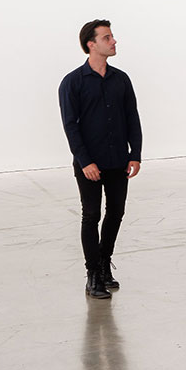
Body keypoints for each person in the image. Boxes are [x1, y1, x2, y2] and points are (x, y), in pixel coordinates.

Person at [59, 19, 142, 299]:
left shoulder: (121, 79)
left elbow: (132, 117)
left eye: (112, 36)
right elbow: (70, 125)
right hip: (90, 164)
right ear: (91, 44)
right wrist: (85, 161)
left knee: (116, 213)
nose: (114, 41)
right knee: (91, 215)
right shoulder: (72, 83)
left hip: (118, 160)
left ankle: (105, 264)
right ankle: (92, 275)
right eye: (107, 38)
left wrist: (136, 154)